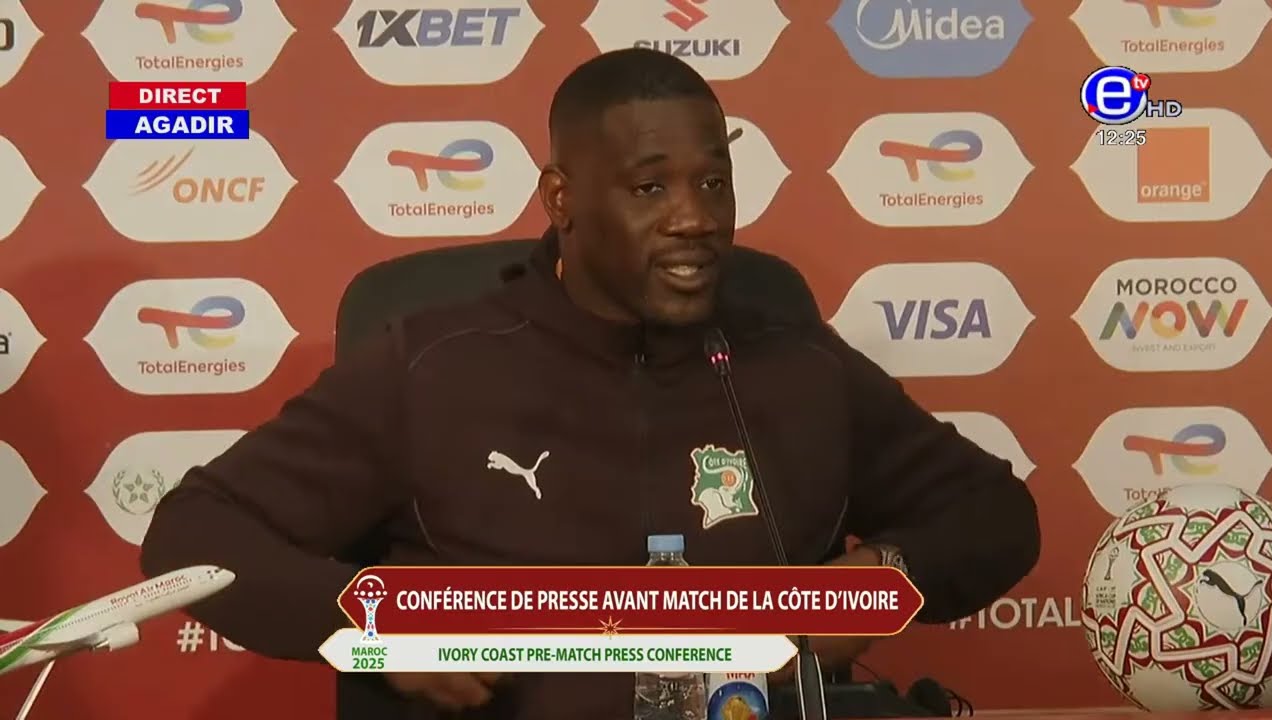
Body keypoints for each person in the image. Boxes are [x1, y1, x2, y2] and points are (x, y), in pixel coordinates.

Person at [140, 47, 1040, 719]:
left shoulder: (795, 361)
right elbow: (194, 533)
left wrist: (881, 580)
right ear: (562, 199)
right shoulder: (430, 367)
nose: (696, 219)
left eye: (713, 183)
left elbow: (994, 513)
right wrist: (372, 629)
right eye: (650, 189)